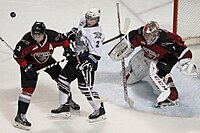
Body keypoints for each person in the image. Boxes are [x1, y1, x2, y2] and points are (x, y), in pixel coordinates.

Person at [109, 21, 199, 108]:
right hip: (149, 54)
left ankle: (171, 96)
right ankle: (143, 72)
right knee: (127, 79)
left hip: (166, 56)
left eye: (149, 36)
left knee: (161, 69)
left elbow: (181, 49)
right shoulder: (140, 35)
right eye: (146, 35)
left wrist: (186, 61)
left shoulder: (165, 41)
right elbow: (130, 37)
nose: (147, 38)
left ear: (156, 34)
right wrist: (123, 49)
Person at [13, 21, 80, 130]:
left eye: (39, 34)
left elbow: (64, 40)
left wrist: (67, 49)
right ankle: (20, 117)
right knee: (28, 89)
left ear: (44, 33)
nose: (36, 37)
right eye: (34, 34)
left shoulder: (53, 36)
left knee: (61, 79)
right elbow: (17, 55)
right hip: (30, 64)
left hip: (47, 61)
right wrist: (25, 66)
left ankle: (67, 100)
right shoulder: (26, 42)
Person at [51, 8, 106, 122]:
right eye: (88, 18)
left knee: (85, 88)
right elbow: (78, 31)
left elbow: (96, 54)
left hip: (86, 62)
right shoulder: (83, 21)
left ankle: (99, 110)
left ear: (97, 19)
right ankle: (64, 107)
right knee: (62, 80)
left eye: (92, 19)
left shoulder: (96, 34)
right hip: (75, 58)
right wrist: (73, 33)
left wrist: (87, 63)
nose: (89, 20)